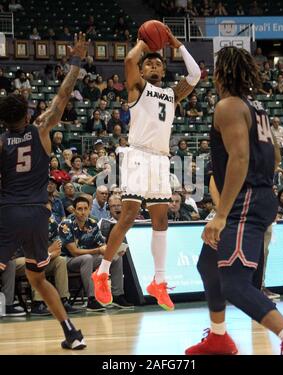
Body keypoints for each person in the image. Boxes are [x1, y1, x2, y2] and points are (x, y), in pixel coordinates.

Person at [185, 46, 283, 356]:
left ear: (221, 74)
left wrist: (222, 214)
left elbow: (239, 156)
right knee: (208, 265)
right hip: (257, 196)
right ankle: (219, 338)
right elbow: (274, 155)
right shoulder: (257, 109)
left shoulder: (228, 106)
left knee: (235, 284)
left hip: (244, 202)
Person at [92, 27, 200, 311]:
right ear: (142, 70)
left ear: (163, 70)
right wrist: (143, 42)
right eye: (149, 63)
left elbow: (196, 74)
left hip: (161, 159)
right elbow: (129, 62)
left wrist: (176, 44)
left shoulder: (172, 94)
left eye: (158, 63)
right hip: (138, 155)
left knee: (161, 221)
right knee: (127, 217)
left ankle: (159, 282)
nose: (154, 65)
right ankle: (101, 273)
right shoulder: (138, 88)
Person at [0, 32, 89, 350]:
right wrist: (76, 60)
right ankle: (71, 333)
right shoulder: (41, 129)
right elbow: (64, 94)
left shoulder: (1, 142)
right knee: (38, 277)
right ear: (26, 114)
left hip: (8, 212)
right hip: (38, 213)